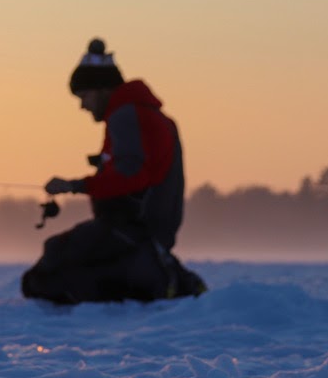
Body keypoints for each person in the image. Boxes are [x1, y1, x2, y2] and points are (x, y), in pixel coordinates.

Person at [21, 38, 206, 304]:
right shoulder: (146, 115)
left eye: (84, 96)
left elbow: (130, 176)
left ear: (101, 89)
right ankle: (161, 280)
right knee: (53, 265)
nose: (82, 106)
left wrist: (75, 185)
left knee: (44, 274)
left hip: (133, 231)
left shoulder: (125, 116)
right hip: (147, 233)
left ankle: (161, 283)